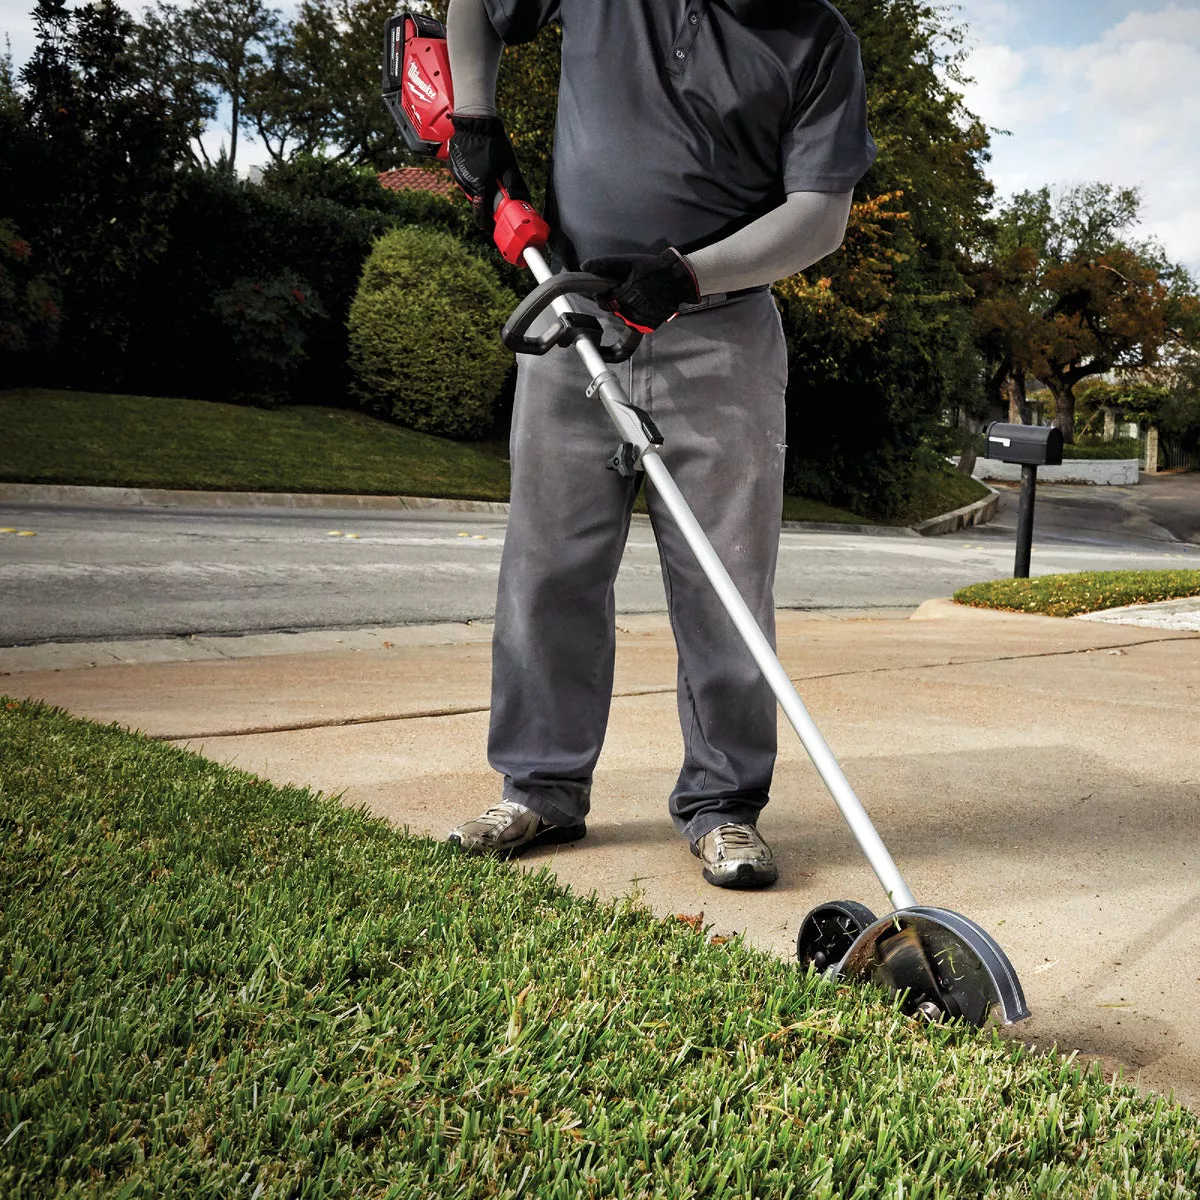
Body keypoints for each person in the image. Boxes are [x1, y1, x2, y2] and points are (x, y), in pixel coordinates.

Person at [444, 0, 876, 888]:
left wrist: (690, 273)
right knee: (548, 567)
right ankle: (541, 789)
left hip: (720, 332)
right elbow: (476, 8)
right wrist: (475, 115)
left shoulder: (822, 43)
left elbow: (819, 216)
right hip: (573, 312)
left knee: (727, 580)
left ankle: (723, 806)